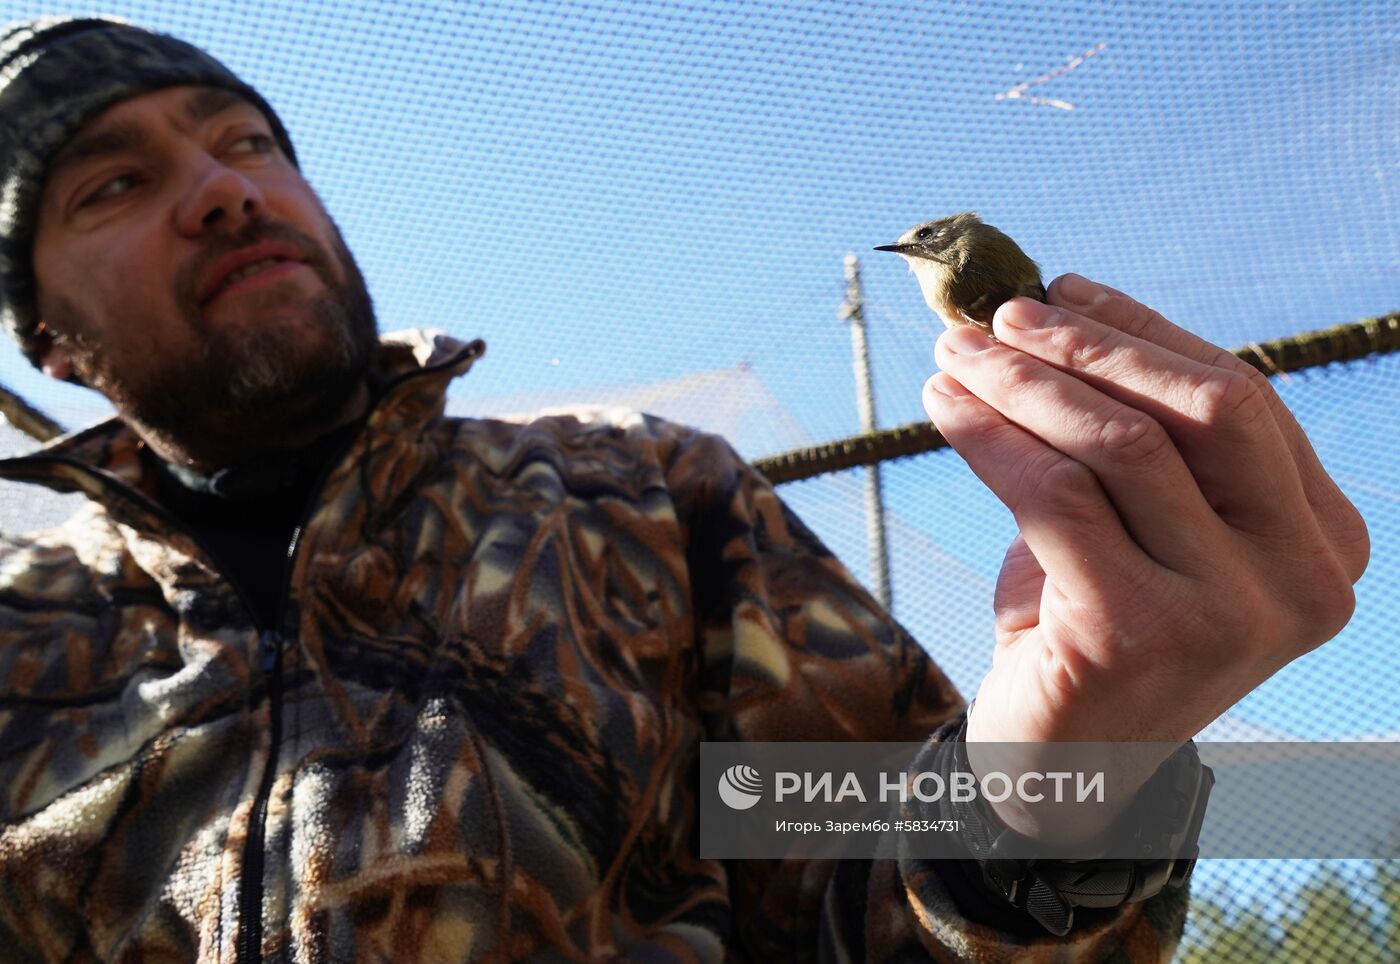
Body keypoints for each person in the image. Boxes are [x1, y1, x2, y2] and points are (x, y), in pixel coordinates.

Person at [0, 16, 1368, 964]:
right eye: (117, 182)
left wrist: (1057, 789)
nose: (224, 191)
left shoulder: (646, 500)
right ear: (45, 340)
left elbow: (864, 893)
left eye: (245, 141)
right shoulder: (21, 640)